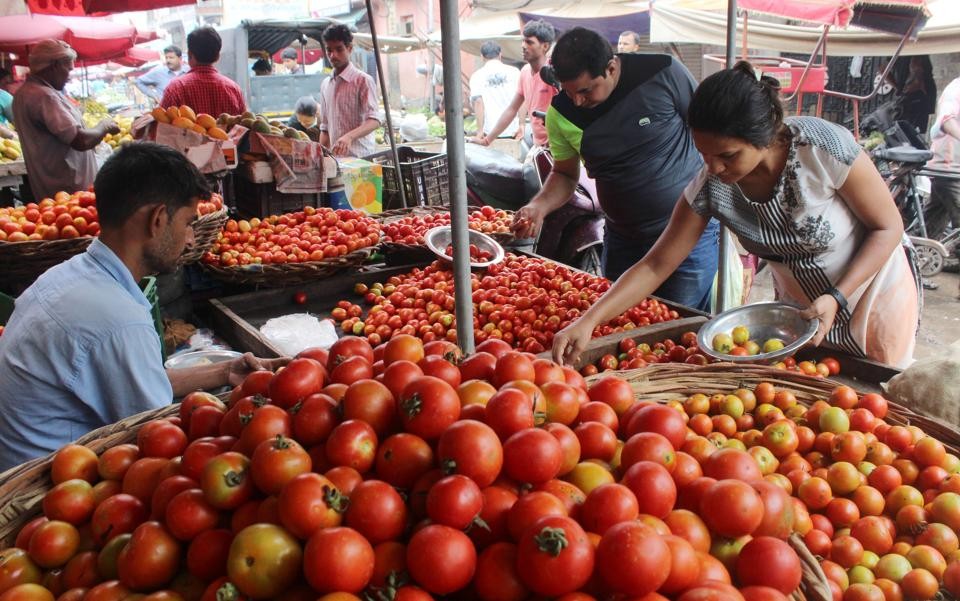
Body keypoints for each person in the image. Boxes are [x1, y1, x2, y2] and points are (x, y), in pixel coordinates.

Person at [552, 61, 921, 368]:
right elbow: (655, 265)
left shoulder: (822, 148)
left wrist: (837, 296)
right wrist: (589, 321)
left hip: (870, 294)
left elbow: (887, 226)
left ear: (764, 135)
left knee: (874, 392)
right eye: (703, 154)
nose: (713, 167)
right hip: (804, 308)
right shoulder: (711, 188)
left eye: (727, 156)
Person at [0, 143, 287, 471]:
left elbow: (136, 378)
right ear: (158, 219)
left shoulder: (68, 276)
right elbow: (161, 436)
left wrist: (224, 371)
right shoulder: (117, 320)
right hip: (41, 492)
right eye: (188, 223)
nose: (192, 239)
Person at [513, 27, 718, 310]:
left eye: (585, 90)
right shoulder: (561, 112)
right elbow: (564, 174)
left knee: (679, 322)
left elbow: (709, 131)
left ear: (611, 67)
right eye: (569, 92)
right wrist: (539, 206)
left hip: (688, 236)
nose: (578, 101)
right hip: (623, 240)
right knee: (620, 323)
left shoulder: (664, 72)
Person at [12, 40, 119, 201]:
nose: (69, 76)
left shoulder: (23, 94)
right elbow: (80, 140)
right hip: (68, 189)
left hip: (52, 188)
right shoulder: (45, 96)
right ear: (55, 66)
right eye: (68, 69)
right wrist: (104, 125)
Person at [472, 20, 557, 148]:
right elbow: (512, 110)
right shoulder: (524, 72)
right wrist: (487, 140)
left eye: (529, 42)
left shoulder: (555, 71)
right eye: (523, 41)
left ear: (545, 46)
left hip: (558, 146)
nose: (523, 45)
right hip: (539, 146)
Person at [318, 24, 381, 157]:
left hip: (362, 160)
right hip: (337, 162)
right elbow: (325, 129)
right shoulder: (325, 85)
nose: (333, 55)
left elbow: (374, 120)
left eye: (339, 49)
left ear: (349, 48)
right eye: (329, 50)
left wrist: (349, 137)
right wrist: (320, 156)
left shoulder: (363, 81)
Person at [161, 27, 246, 117]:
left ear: (190, 54)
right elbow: (245, 126)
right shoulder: (234, 89)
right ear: (217, 56)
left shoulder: (175, 89)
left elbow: (160, 126)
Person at [926, 75, 960, 252]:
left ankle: (915, 257)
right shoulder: (956, 88)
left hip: (951, 171)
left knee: (932, 223)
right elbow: (946, 119)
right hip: (949, 168)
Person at [469, 41, 521, 140]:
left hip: (489, 132)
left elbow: (478, 103)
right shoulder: (514, 72)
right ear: (500, 55)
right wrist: (522, 124)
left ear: (482, 57)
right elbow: (522, 99)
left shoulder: (477, 76)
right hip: (513, 130)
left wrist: (480, 130)